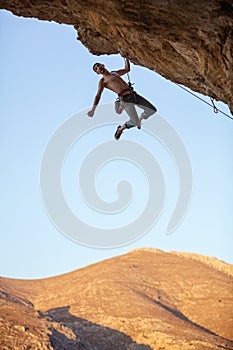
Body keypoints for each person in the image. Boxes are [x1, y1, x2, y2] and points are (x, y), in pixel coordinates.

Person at [87, 58, 157, 140]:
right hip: (125, 100)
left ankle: (140, 118)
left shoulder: (114, 73)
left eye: (98, 66)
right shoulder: (103, 81)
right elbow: (98, 96)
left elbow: (127, 69)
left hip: (133, 95)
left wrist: (126, 58)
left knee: (152, 109)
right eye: (96, 69)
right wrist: (93, 110)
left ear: (103, 65)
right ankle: (120, 128)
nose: (98, 68)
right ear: (98, 73)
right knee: (134, 122)